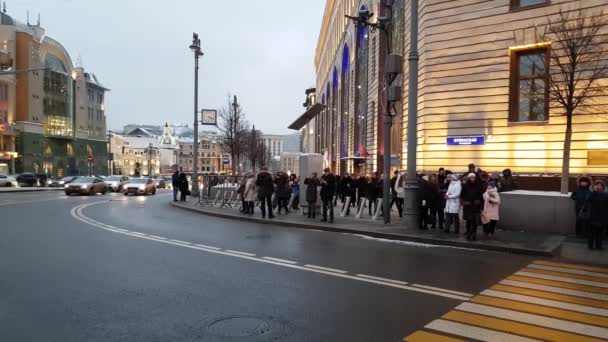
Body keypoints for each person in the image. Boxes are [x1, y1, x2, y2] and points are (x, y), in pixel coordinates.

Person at [460, 173, 483, 241]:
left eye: (473, 177)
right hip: (468, 206)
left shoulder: (478, 185)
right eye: (471, 177)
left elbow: (481, 195)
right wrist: (464, 202)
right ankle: (469, 233)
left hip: (476, 206)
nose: (472, 179)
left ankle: (474, 234)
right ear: (469, 178)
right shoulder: (465, 186)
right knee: (468, 221)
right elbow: (462, 195)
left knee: (475, 222)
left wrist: (479, 201)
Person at [586, 180, 608, 250]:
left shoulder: (606, 194)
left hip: (602, 216)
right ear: (594, 186)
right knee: (591, 233)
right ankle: (590, 246)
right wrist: (594, 192)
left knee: (600, 233)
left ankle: (599, 246)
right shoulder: (591, 193)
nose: (599, 186)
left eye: (600, 185)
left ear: (603, 187)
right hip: (592, 216)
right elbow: (588, 200)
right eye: (597, 185)